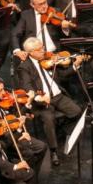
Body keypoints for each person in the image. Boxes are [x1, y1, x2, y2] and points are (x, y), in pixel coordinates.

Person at [17, 37, 82, 166]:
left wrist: (75, 66)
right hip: (42, 102)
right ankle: (53, 151)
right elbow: (27, 86)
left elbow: (62, 76)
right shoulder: (24, 67)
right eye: (40, 49)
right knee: (49, 119)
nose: (43, 50)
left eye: (43, 47)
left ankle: (61, 130)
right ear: (31, 52)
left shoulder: (47, 61)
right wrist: (38, 97)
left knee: (77, 111)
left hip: (58, 96)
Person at [0, 75, 45, 184]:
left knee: (42, 147)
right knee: (29, 153)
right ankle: (27, 183)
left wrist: (25, 108)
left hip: (12, 133)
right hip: (5, 142)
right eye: (1, 90)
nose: (4, 92)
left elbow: (12, 118)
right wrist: (18, 132)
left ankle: (31, 180)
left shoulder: (1, 100)